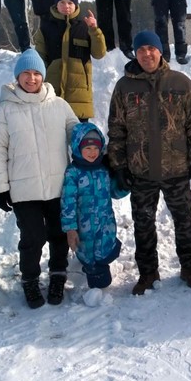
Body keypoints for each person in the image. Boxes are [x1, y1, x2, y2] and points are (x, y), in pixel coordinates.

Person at [106, 30, 191, 294]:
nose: (147, 54)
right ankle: (148, 273)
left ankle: (189, 268)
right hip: (140, 171)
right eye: (141, 50)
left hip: (177, 168)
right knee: (143, 224)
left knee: (184, 221)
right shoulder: (124, 87)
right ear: (135, 54)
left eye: (151, 49)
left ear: (160, 51)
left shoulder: (180, 82)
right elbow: (116, 129)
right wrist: (117, 165)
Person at [0, 48, 79, 308]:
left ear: (43, 76)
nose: (31, 78)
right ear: (17, 77)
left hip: (58, 186)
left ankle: (58, 276)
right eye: (26, 73)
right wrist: (1, 188)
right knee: (32, 238)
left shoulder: (59, 105)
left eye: (36, 73)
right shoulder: (4, 111)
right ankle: (29, 280)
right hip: (23, 190)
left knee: (59, 235)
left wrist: (95, 149)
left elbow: (77, 135)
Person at [61, 123, 126, 301]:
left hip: (105, 224)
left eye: (95, 148)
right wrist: (70, 228)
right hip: (84, 228)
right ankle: (95, 284)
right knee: (90, 257)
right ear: (77, 148)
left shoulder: (103, 170)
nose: (92, 152)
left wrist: (124, 187)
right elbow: (68, 202)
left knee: (104, 252)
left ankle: (101, 281)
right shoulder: (73, 173)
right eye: (87, 148)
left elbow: (113, 192)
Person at [34, 0, 106, 121]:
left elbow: (99, 53)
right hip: (52, 93)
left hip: (79, 97)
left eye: (70, 3)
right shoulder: (46, 28)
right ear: (56, 4)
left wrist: (94, 30)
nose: (66, 6)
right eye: (62, 2)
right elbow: (40, 58)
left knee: (80, 140)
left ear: (75, 5)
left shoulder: (85, 27)